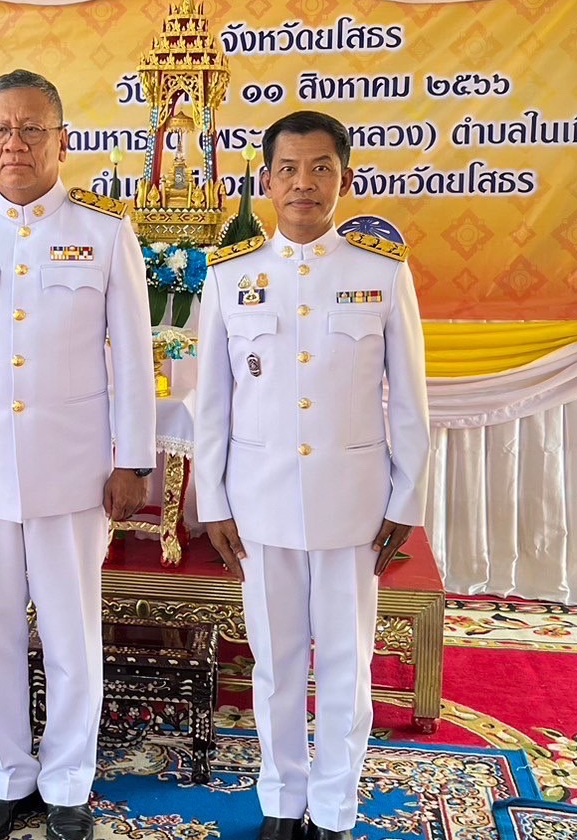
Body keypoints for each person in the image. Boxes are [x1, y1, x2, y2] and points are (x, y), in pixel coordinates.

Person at [0, 69, 157, 840]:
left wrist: (132, 458)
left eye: (32, 129)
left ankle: (70, 779)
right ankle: (7, 773)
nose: (16, 142)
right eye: (1, 130)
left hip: (72, 465)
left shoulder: (104, 230)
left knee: (71, 630)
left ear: (62, 141)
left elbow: (134, 357)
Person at [193, 110, 431, 840]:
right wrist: (213, 501)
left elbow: (411, 400)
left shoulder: (380, 273)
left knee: (344, 669)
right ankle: (280, 803)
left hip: (351, 504)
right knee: (273, 663)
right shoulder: (231, 278)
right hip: (258, 506)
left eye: (319, 168)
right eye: (288, 169)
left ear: (344, 179)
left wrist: (407, 500)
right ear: (265, 181)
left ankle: (332, 808)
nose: (302, 183)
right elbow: (212, 405)